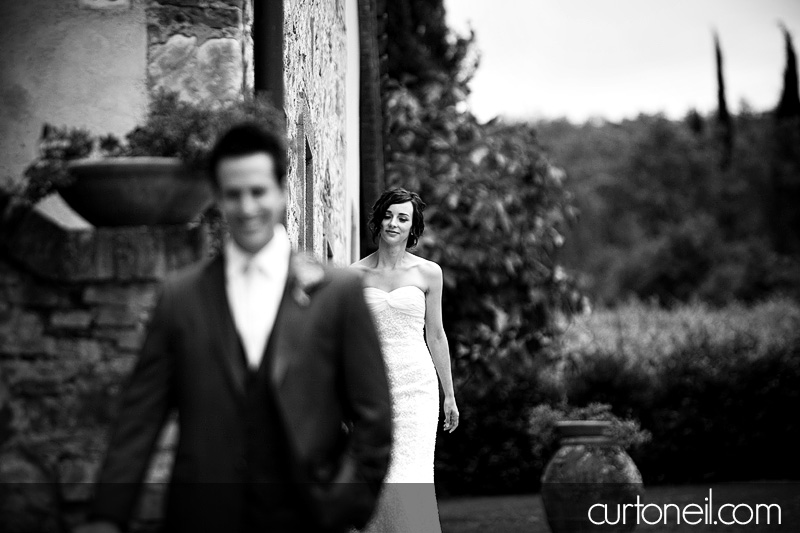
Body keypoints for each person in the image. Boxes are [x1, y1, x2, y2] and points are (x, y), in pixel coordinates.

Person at [77, 123, 393, 533]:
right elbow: (139, 418)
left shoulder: (339, 294)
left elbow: (374, 415)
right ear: (217, 197)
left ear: (281, 191)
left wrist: (343, 503)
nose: (246, 208)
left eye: (258, 191)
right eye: (233, 194)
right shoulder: (181, 296)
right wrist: (107, 516)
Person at [351, 188, 459, 533]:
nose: (393, 223)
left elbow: (436, 335)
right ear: (378, 219)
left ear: (413, 227)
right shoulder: (353, 275)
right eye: (388, 215)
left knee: (411, 475)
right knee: (379, 473)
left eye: (403, 217)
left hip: (417, 387)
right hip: (371, 387)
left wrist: (449, 394)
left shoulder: (429, 273)